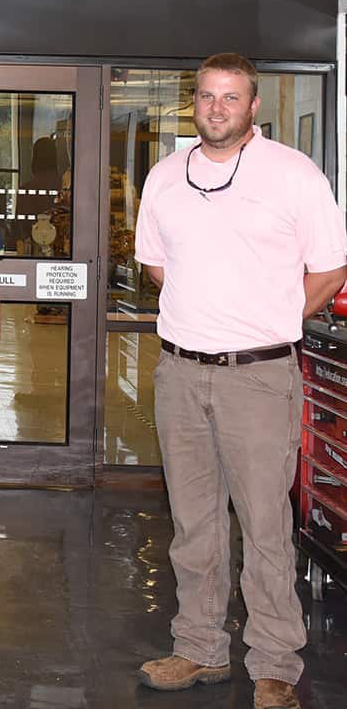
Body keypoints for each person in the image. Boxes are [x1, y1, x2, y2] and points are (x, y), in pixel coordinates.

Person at [134, 53, 347, 709]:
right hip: (181, 374)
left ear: (253, 106)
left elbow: (330, 269)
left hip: (258, 377)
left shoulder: (292, 175)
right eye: (206, 97)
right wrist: (207, 311)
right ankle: (198, 648)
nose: (217, 108)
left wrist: (270, 318)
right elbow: (156, 265)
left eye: (231, 97)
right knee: (193, 524)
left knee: (263, 524)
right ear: (192, 104)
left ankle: (275, 662)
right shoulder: (166, 178)